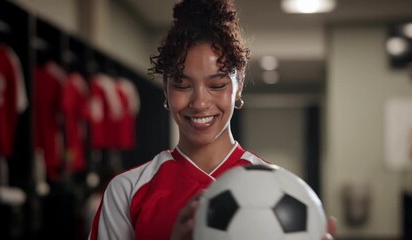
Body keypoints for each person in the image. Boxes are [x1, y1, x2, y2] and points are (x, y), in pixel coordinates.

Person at [88, 0, 335, 239]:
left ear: (238, 86)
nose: (199, 103)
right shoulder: (126, 191)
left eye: (216, 85)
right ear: (165, 87)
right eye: (182, 85)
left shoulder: (281, 190)